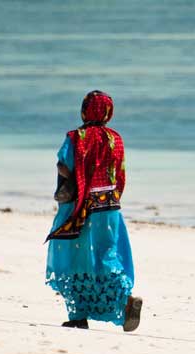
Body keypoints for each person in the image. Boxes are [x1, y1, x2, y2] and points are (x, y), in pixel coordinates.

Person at [45, 90, 143, 331]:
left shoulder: (76, 137)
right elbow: (119, 174)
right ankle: (123, 298)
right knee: (106, 255)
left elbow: (64, 165)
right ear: (109, 113)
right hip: (108, 206)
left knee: (75, 258)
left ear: (84, 110)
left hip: (78, 208)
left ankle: (78, 314)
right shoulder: (115, 139)